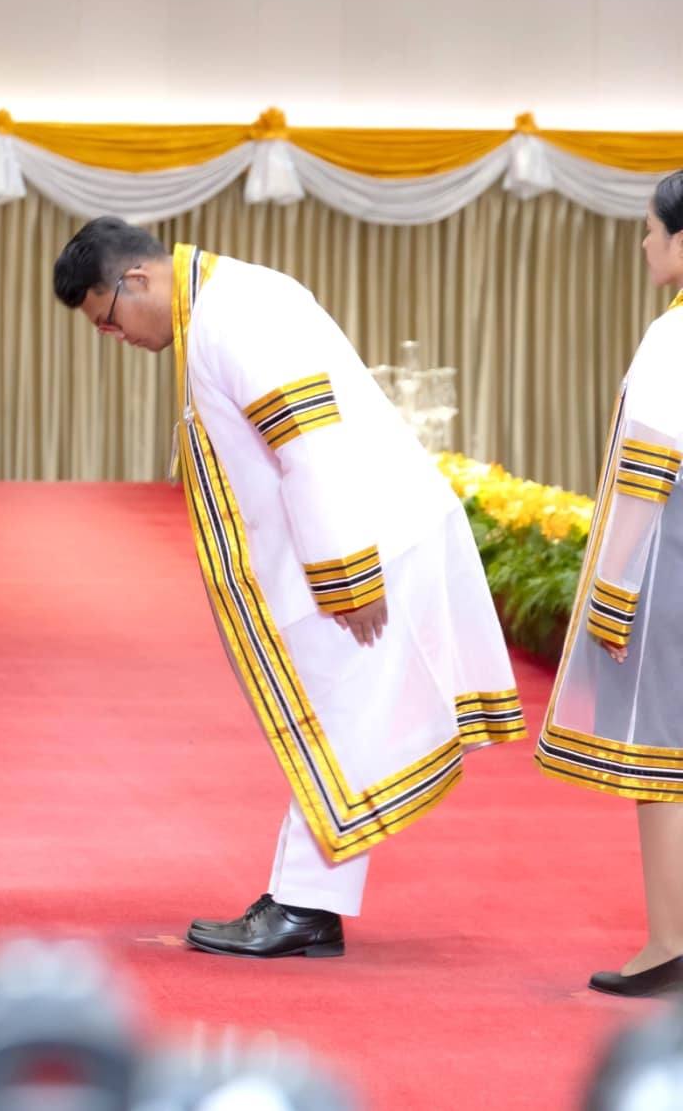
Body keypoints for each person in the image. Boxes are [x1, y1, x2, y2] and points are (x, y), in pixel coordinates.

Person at [52, 219, 525, 958]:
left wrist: (347, 573)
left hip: (366, 544)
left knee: (337, 724)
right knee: (338, 725)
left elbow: (310, 445)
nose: (114, 337)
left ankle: (304, 908)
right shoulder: (221, 303)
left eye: (107, 319)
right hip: (351, 540)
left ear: (135, 279)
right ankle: (308, 905)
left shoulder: (236, 312)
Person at [537, 170, 683, 997]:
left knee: (664, 763)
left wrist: (608, 586)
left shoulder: (673, 333)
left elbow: (647, 469)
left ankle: (670, 942)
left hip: (671, 564)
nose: (643, 243)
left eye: (651, 229)